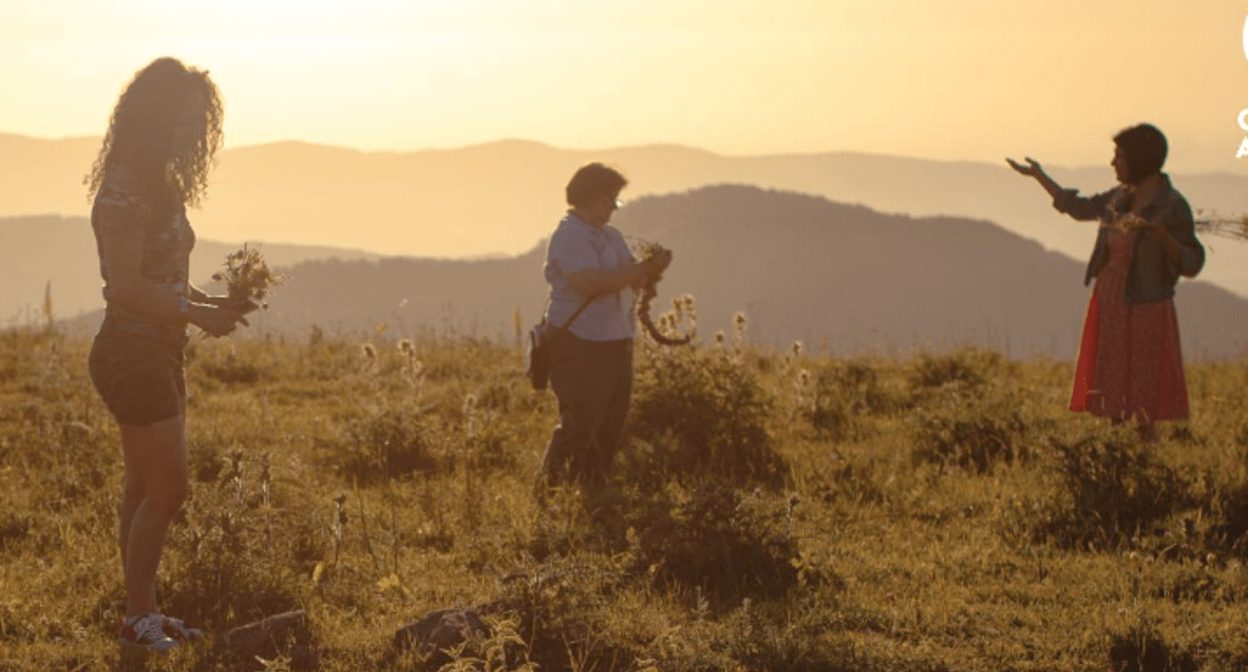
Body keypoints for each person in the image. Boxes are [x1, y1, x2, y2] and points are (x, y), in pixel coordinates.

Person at [85, 57, 253, 653]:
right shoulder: (125, 192)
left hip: (156, 351)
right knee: (170, 489)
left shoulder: (158, 183)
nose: (190, 136)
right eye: (182, 123)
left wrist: (214, 302)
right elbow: (127, 287)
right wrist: (195, 314)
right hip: (133, 353)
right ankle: (137, 618)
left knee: (142, 487)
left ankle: (143, 615)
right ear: (155, 121)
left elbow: (166, 279)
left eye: (196, 124)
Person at [1007, 123, 1204, 441]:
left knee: (1143, 395)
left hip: (1147, 307)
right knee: (1113, 391)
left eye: (1120, 157)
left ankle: (1144, 462)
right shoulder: (1119, 199)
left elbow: (1192, 263)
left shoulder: (1171, 206)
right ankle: (1119, 458)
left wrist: (1165, 239)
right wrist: (1040, 177)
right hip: (1111, 301)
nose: (1114, 164)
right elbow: (1080, 208)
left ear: (1139, 160)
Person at [537, 163, 672, 492]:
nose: (614, 208)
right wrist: (640, 270)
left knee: (610, 425)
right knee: (580, 424)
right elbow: (592, 284)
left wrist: (650, 271)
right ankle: (549, 493)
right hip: (581, 342)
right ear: (592, 199)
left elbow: (629, 278)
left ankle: (592, 492)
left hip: (615, 340)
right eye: (610, 201)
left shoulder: (609, 236)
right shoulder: (569, 236)